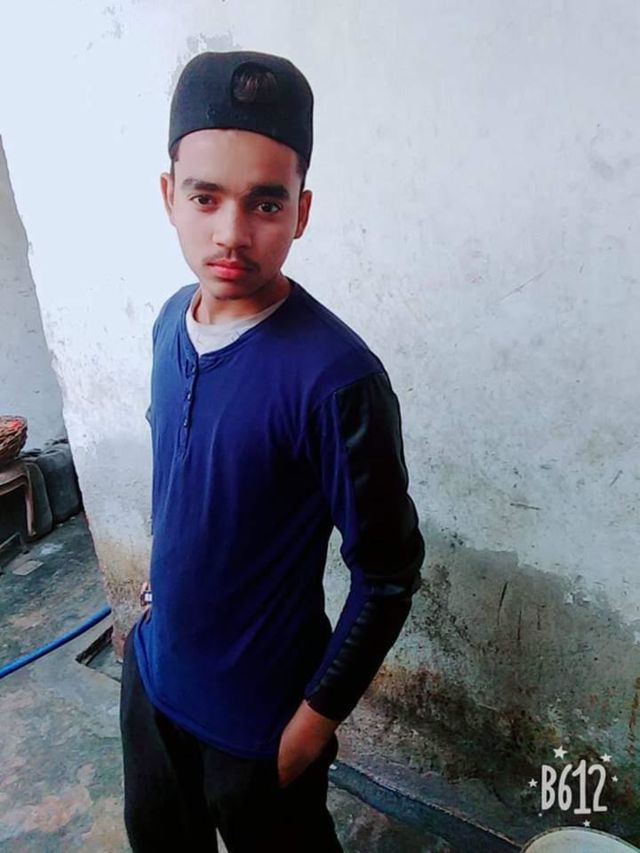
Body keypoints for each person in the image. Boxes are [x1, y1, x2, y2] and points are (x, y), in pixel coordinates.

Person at [119, 49, 425, 853]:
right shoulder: (168, 322)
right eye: (205, 196)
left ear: (301, 210)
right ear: (169, 196)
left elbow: (389, 573)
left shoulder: (336, 380)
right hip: (153, 680)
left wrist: (310, 725)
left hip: (260, 729)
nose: (231, 233)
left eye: (264, 202)